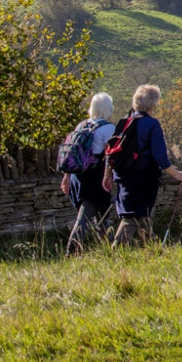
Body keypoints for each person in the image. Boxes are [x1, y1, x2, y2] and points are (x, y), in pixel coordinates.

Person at [103, 84, 182, 246]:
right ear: (153, 103)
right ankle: (117, 249)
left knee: (140, 212)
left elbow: (111, 150)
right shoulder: (152, 124)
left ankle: (151, 248)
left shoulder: (124, 121)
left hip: (122, 175)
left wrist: (107, 175)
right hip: (143, 176)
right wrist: (178, 174)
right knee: (133, 215)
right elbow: (161, 158)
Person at [60, 92, 117, 255]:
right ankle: (71, 251)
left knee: (100, 213)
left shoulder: (81, 125)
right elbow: (110, 155)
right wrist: (109, 175)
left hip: (79, 177)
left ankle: (112, 247)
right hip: (96, 177)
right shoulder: (108, 129)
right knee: (85, 216)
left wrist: (66, 178)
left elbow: (71, 155)